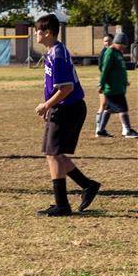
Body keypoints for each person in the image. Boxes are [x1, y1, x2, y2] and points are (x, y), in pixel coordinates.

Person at [34, 14, 101, 217]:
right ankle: (88, 186)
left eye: (37, 30)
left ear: (47, 32)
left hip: (68, 108)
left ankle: (62, 205)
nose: (35, 33)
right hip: (63, 108)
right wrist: (50, 106)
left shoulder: (58, 54)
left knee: (53, 154)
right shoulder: (53, 52)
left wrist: (47, 105)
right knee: (55, 153)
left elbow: (67, 88)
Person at [96, 32, 138, 138]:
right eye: (123, 45)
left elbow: (120, 69)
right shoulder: (110, 53)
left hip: (118, 87)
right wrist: (101, 84)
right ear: (118, 42)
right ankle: (127, 131)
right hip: (112, 88)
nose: (124, 48)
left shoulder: (118, 53)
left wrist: (124, 80)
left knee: (109, 109)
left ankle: (100, 131)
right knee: (123, 108)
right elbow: (105, 70)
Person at [95, 34, 114, 135]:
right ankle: (98, 129)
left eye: (109, 41)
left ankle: (100, 129)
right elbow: (102, 68)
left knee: (108, 105)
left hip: (111, 82)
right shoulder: (104, 53)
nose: (107, 43)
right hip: (105, 81)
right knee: (104, 105)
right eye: (105, 41)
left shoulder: (114, 52)